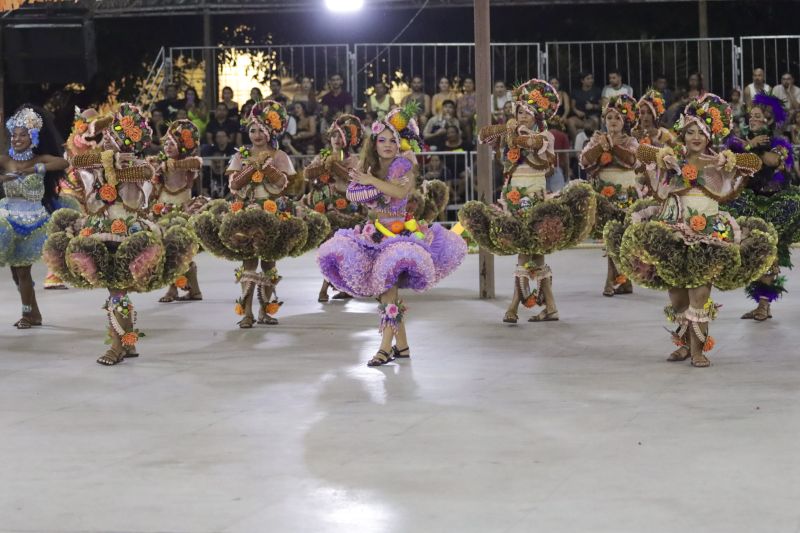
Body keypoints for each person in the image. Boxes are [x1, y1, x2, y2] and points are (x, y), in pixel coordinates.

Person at [608, 94, 772, 367]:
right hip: (674, 228)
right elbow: (640, 154)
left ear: (709, 136)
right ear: (683, 134)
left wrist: (731, 160)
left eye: (701, 132)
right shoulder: (672, 158)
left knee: (700, 293)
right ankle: (684, 344)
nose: (696, 137)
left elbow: (754, 164)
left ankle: (698, 349)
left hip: (708, 232)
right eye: (690, 131)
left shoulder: (717, 161)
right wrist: (660, 155)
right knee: (677, 294)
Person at [45, 104, 197, 365]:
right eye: (109, 137)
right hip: (101, 229)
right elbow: (75, 160)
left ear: (130, 142)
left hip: (128, 233)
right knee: (117, 290)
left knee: (117, 290)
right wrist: (107, 155)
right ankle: (128, 342)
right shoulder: (97, 160)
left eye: (115, 138)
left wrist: (112, 165)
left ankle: (117, 345)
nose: (107, 142)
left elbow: (144, 174)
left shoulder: (138, 165)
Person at [317, 106, 467, 367]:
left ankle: (384, 349)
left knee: (388, 291)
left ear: (400, 144)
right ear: (374, 143)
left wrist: (370, 182)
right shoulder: (370, 166)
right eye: (382, 140)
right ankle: (403, 346)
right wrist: (365, 182)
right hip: (373, 234)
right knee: (387, 294)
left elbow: (398, 193)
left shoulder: (403, 164)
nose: (387, 145)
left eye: (392, 140)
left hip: (399, 236)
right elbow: (352, 192)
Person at [459, 78, 597, 324]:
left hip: (534, 199)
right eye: (519, 111)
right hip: (513, 196)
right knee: (533, 252)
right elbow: (482, 135)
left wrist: (514, 132)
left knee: (528, 251)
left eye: (528, 113)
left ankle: (514, 306)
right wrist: (506, 127)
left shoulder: (545, 136)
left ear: (537, 117)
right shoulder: (511, 130)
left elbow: (530, 143)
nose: (522, 116)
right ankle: (549, 306)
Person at [191, 100, 329, 328]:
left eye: (261, 130)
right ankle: (246, 312)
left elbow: (285, 183)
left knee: (269, 264)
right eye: (252, 130)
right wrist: (251, 166)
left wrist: (265, 166)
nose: (256, 135)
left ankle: (265, 310)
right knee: (248, 264)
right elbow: (234, 185)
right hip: (245, 214)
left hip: (273, 213)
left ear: (270, 132)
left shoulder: (280, 155)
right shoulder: (240, 155)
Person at [724, 93, 800, 322]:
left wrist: (754, 147)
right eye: (751, 116)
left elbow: (772, 161)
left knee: (769, 253)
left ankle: (764, 305)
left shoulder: (777, 142)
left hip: (772, 204)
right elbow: (730, 160)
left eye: (758, 116)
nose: (753, 119)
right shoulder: (741, 141)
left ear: (767, 120)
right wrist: (749, 144)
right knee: (752, 253)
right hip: (747, 201)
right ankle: (761, 303)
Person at [0, 105, 69, 328]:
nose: (16, 139)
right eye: (14, 135)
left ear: (33, 137)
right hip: (9, 220)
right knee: (15, 273)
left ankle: (27, 314)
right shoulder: (6, 161)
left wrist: (35, 169)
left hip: (33, 223)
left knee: (22, 271)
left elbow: (62, 162)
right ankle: (34, 312)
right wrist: (3, 180)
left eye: (22, 135)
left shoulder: (39, 159)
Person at [580, 95, 640, 296]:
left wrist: (613, 146)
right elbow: (585, 160)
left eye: (617, 118)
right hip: (604, 195)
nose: (613, 121)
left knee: (622, 237)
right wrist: (601, 146)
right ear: (604, 120)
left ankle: (619, 280)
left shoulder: (630, 141)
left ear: (625, 122)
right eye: (609, 118)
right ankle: (618, 280)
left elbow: (633, 160)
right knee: (610, 236)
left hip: (626, 193)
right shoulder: (596, 139)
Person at [302, 114, 365, 303]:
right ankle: (337, 285)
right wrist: (322, 166)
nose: (337, 140)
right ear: (329, 138)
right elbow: (307, 174)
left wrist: (334, 165)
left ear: (347, 140)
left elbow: (353, 178)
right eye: (334, 136)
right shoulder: (322, 156)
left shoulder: (352, 159)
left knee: (339, 250)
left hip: (346, 209)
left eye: (341, 136)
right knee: (328, 249)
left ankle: (326, 288)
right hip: (324, 207)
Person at [151, 120, 206, 304]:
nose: (167, 146)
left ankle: (173, 290)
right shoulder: (160, 163)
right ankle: (193, 290)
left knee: (180, 250)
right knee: (167, 250)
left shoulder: (189, 163)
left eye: (172, 143)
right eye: (165, 143)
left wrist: (171, 165)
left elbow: (197, 163)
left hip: (182, 211)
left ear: (182, 146)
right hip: (161, 210)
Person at [202, 130, 237, 197]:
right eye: (218, 137)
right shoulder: (211, 150)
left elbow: (234, 190)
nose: (221, 138)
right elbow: (203, 190)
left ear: (228, 138)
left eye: (223, 136)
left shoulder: (233, 150)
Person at [566, 72, 602, 139]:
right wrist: (577, 111)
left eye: (591, 78)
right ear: (582, 81)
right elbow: (572, 107)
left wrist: (593, 106)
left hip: (592, 118)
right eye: (588, 79)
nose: (591, 80)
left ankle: (594, 144)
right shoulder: (576, 92)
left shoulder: (597, 91)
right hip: (579, 119)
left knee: (596, 120)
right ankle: (577, 144)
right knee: (570, 121)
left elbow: (601, 106)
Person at [456, 76, 477, 141]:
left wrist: (468, 117)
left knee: (469, 121)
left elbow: (476, 109)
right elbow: (458, 110)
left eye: (470, 83)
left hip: (474, 118)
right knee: (463, 122)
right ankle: (468, 144)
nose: (468, 84)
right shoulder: (460, 98)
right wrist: (460, 118)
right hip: (463, 119)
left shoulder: (478, 96)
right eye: (466, 83)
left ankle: (471, 143)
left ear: (474, 84)